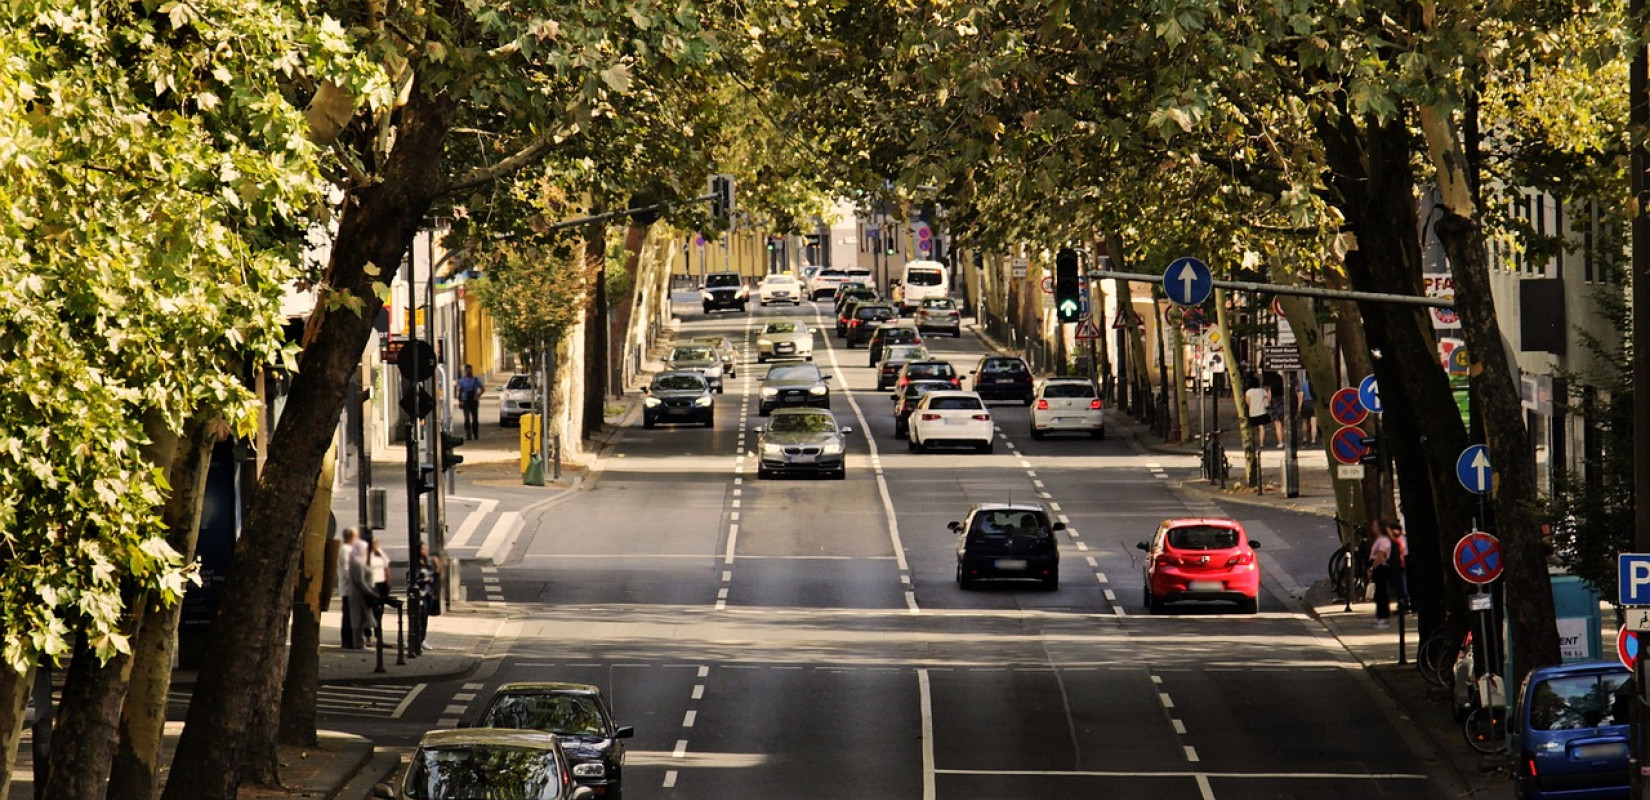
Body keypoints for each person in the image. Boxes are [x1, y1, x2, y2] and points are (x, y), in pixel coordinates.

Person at [346, 540, 378, 648]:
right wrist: (370, 593)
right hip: (358, 594)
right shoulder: (356, 563)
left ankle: (360, 641)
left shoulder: (360, 561)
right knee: (357, 618)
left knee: (363, 618)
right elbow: (359, 581)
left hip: (362, 594)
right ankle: (358, 643)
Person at [336, 527, 360, 648]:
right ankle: (348, 641)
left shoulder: (350, 549)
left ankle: (351, 640)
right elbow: (348, 569)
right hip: (349, 589)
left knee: (351, 615)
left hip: (351, 588)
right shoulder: (346, 550)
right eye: (356, 536)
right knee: (349, 615)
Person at [1367, 520, 1394, 627]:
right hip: (1379, 568)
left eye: (1375, 525)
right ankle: (1380, 617)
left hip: (1381, 568)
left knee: (1381, 593)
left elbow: (1380, 556)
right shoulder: (1380, 539)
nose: (1373, 527)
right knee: (1379, 593)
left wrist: (1372, 567)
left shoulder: (1383, 540)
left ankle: (1382, 618)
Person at [456, 364, 484, 440]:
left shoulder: (476, 379)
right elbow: (460, 391)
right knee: (466, 418)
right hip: (466, 401)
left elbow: (482, 389)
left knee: (475, 419)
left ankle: (475, 434)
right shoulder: (462, 381)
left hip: (474, 401)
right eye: (467, 370)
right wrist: (460, 401)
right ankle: (468, 434)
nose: (469, 372)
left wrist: (477, 396)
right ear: (465, 371)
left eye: (470, 370)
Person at [1244, 376, 1272, 448]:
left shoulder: (1249, 392)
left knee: (1252, 428)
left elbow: (1247, 402)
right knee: (1261, 427)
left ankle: (1252, 441)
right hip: (1262, 411)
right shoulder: (1262, 391)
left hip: (1252, 412)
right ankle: (1261, 442)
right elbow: (1267, 400)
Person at [1297, 373, 1317, 444]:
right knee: (1313, 423)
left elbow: (1301, 396)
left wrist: (1299, 406)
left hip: (1306, 403)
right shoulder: (1316, 384)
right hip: (1314, 403)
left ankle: (1304, 438)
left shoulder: (1304, 384)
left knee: (1304, 421)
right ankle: (1313, 439)